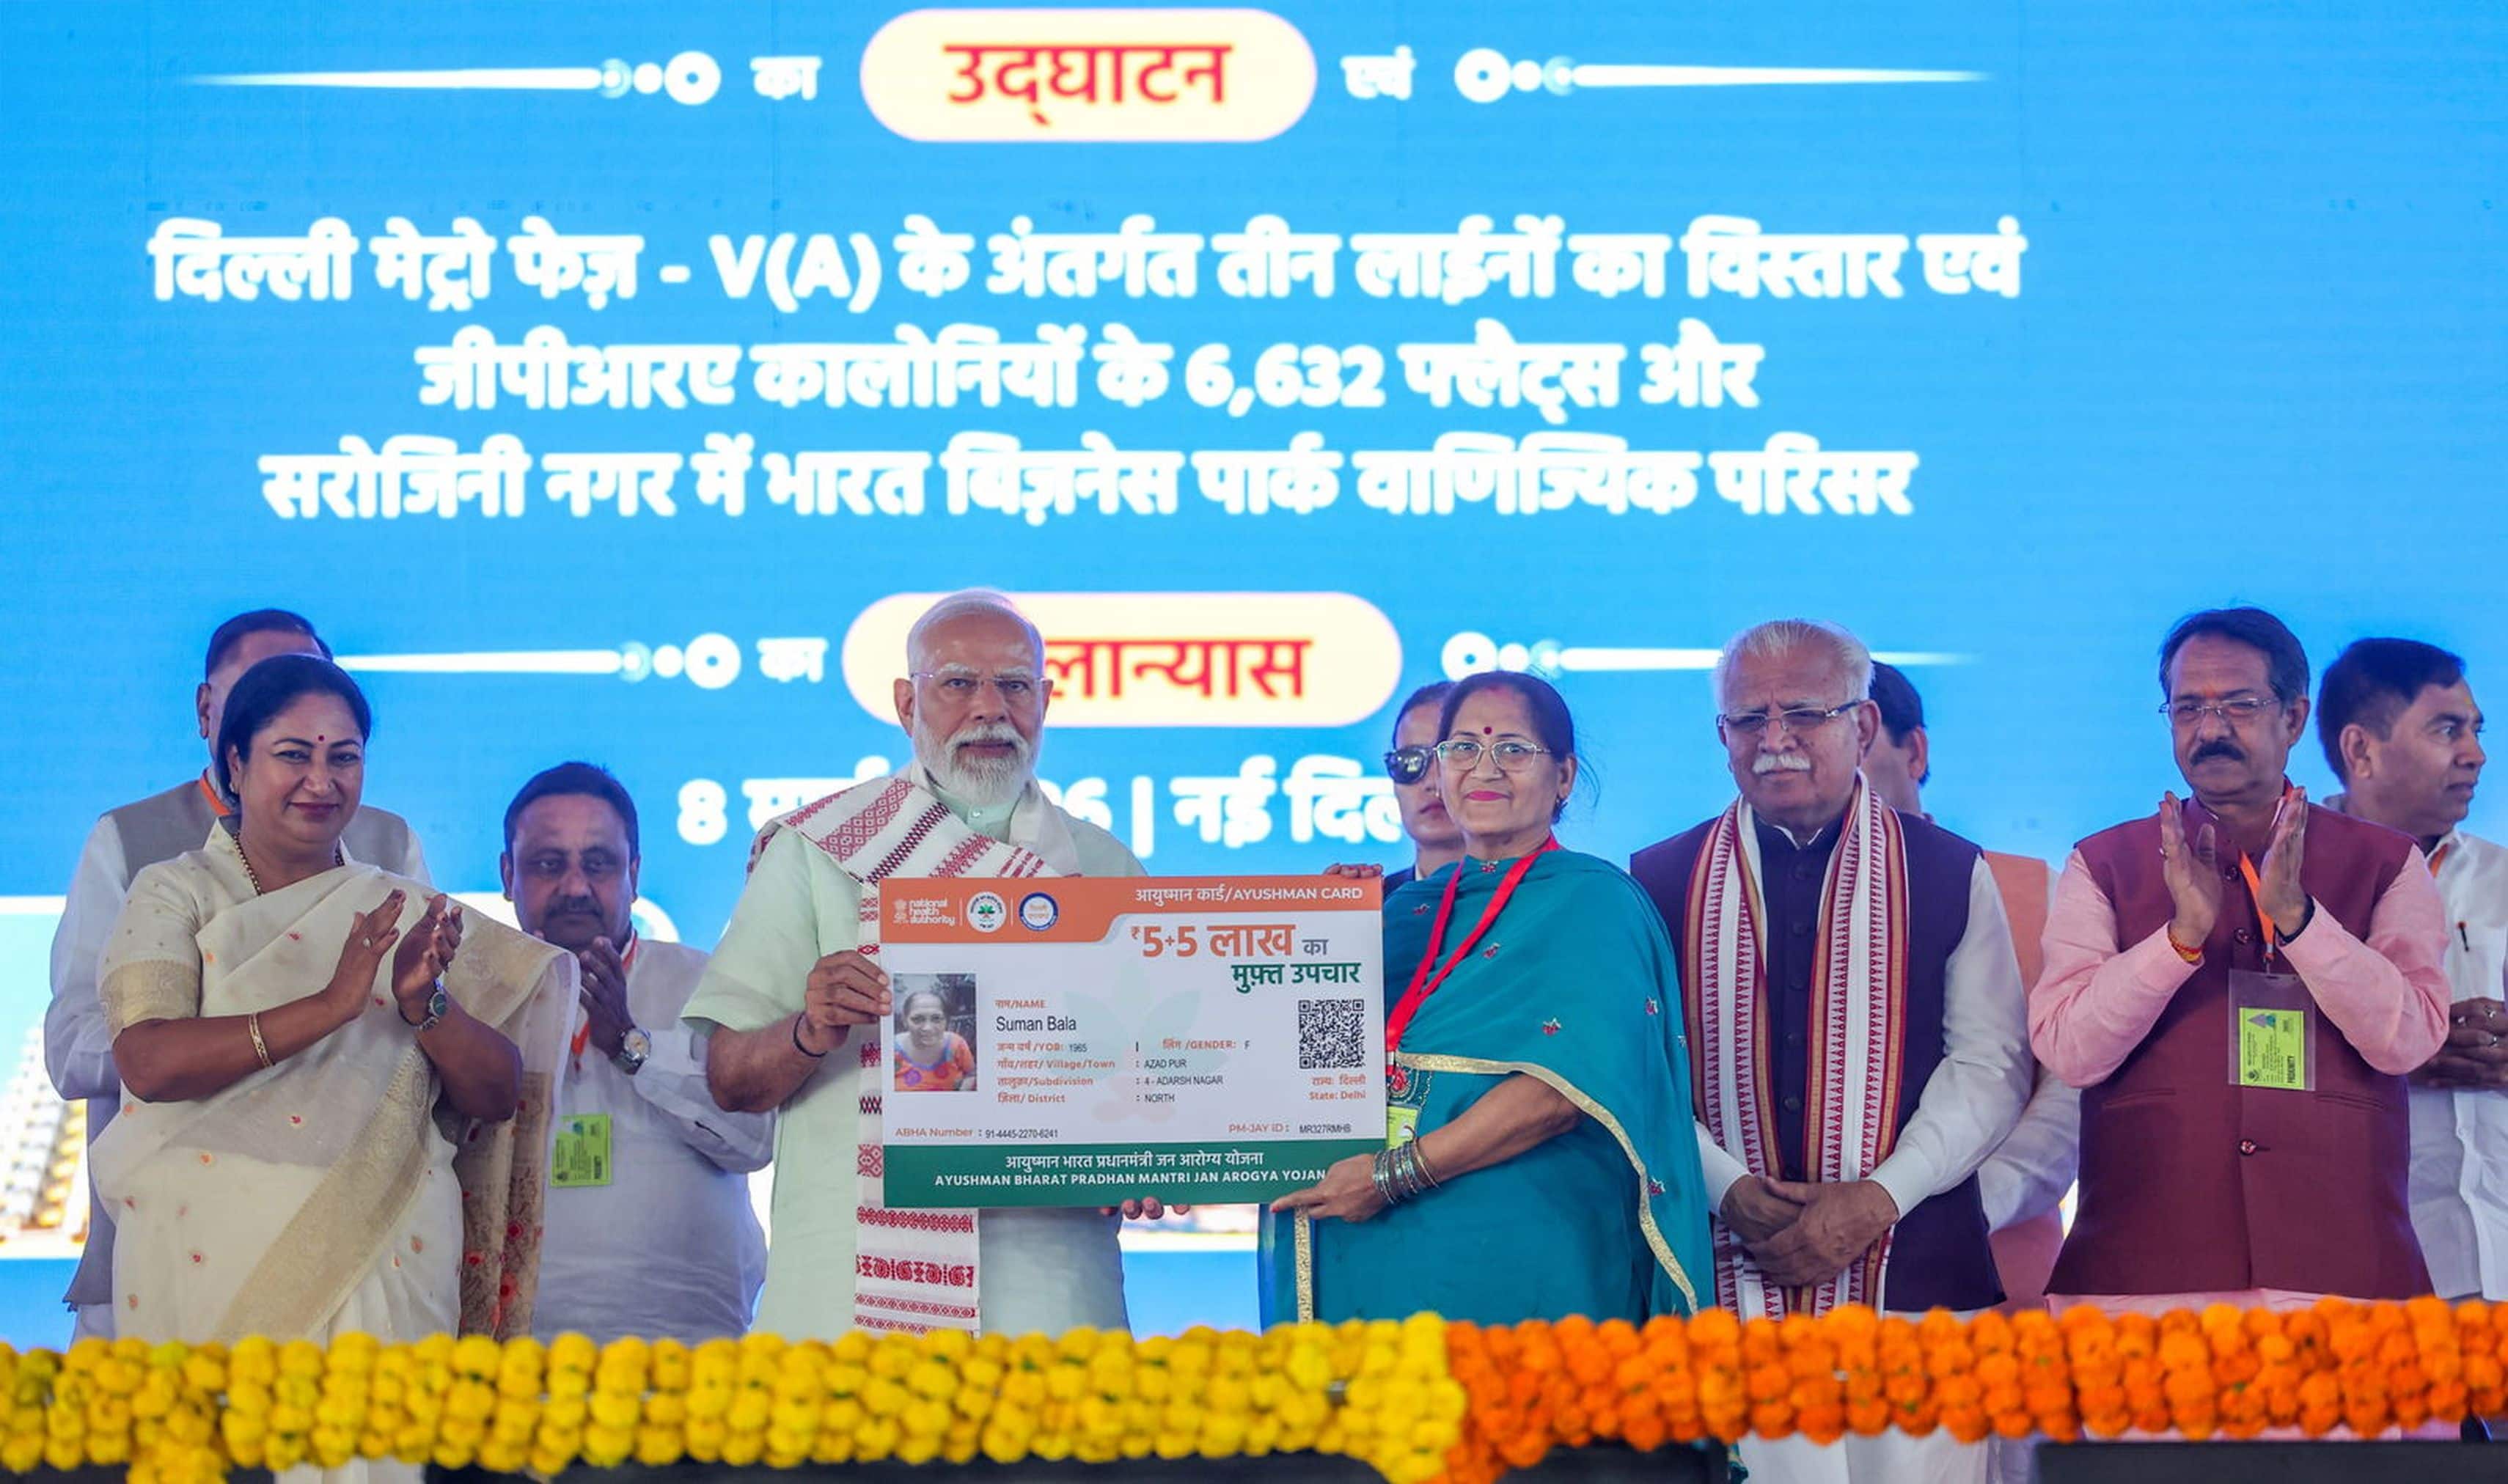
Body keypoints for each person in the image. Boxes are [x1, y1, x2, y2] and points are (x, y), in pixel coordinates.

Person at [685, 591, 1170, 1339]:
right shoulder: (821, 849)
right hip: (851, 1291)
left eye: (1014, 685)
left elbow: (1156, 1083)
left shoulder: (1104, 866)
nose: (990, 709)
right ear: (907, 703)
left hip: (1051, 1289)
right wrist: (810, 1030)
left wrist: (1149, 1157)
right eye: (958, 683)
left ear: (1045, 701)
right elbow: (729, 1079)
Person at [1632, 620, 2031, 1484]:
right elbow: (1644, 1070)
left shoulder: (1949, 869)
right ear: (1722, 736)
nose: (1774, 739)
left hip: (1917, 1278)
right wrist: (1727, 1187)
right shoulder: (1658, 878)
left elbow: (1990, 1068)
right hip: (1728, 1279)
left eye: (1804, 714)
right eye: (1750, 719)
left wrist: (1878, 1198)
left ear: (1864, 724)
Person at [90, 656, 568, 1378]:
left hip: (387, 1251)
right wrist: (328, 1006)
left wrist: (426, 1005)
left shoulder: (402, 908)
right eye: (293, 755)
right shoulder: (175, 891)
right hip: (206, 1260)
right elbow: (148, 1062)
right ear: (235, 762)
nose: (322, 780)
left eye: (344, 757)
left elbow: (499, 1095)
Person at [2033, 609, 2450, 1317]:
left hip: (2343, 1277)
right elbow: (2069, 1051)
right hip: (2141, 1280)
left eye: (2240, 705)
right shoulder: (2103, 863)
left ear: (2294, 717)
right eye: (2188, 708)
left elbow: (2409, 1038)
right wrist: (2177, 940)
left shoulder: (2386, 861)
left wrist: (2302, 920)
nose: (2211, 729)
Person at [1265, 669, 1712, 1326]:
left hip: (1522, 1271)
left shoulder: (1595, 902)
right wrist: (1325, 944)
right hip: (1370, 1262)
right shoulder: (1402, 912)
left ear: (1564, 776)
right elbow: (1312, 1071)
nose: (1485, 769)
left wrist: (1390, 1177)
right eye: (1463, 749)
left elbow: (1554, 1097)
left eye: (1513, 749)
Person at [48, 609, 430, 1340]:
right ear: (209, 713)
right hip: (170, 1231)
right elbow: (71, 1047)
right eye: (262, 687)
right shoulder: (132, 842)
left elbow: (423, 1023)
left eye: (310, 682)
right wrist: (238, 1031)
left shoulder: (387, 842)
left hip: (352, 1235)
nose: (289, 699)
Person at [501, 763, 771, 1345]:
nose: (576, 887)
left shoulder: (706, 984)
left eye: (599, 864)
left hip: (689, 1353)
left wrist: (632, 1046)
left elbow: (755, 1142)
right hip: (516, 1361)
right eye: (548, 865)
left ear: (634, 874)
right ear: (507, 875)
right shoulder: (474, 999)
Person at [1863, 662, 2079, 1315]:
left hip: (2000, 1292)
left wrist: (1946, 1212)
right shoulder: (1745, 906)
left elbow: (2070, 1103)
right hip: (1799, 1304)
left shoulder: (2035, 892)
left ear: (1915, 751)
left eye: (1855, 743)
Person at [2317, 639, 2504, 1304]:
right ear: (2361, 750)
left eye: (2477, 730)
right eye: (2447, 730)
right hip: (2361, 1284)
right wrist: (2393, 1051)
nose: (2476, 754)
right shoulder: (2284, 890)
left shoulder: (2502, 879)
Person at [1381, 680, 1464, 894]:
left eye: (1453, 757)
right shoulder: (1377, 904)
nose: (1433, 782)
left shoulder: (1539, 900)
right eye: (1409, 761)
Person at [893, 985, 978, 1092]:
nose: (928, 1028)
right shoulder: (892, 1049)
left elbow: (971, 1074)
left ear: (946, 1021)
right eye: (918, 1019)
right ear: (905, 1021)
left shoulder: (956, 1045)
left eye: (936, 1019)